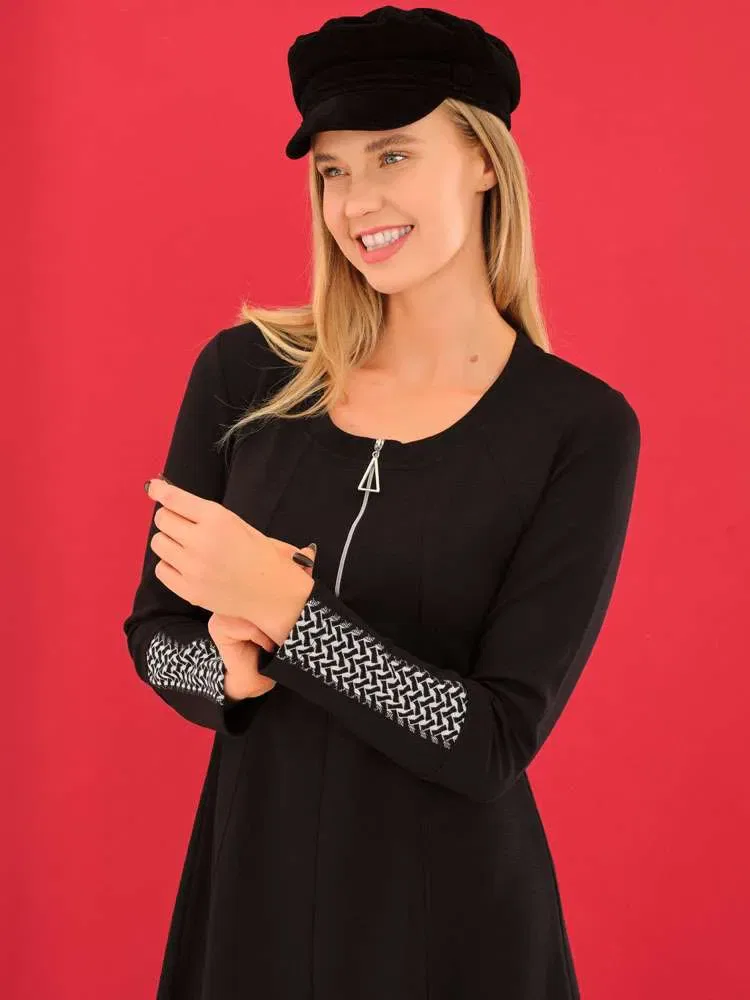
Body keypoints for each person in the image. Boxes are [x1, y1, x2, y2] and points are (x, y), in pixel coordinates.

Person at [122, 7, 641, 998]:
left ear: (483, 161)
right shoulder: (246, 374)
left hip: (456, 934)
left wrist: (288, 614)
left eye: (393, 155)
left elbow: (492, 739)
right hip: (256, 908)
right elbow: (154, 634)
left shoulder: (578, 427)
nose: (358, 202)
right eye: (333, 170)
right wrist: (224, 671)